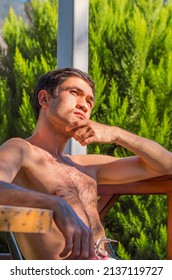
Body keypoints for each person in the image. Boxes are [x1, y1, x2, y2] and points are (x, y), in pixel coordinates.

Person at [0, 68, 171, 260]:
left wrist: (116, 134)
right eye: (75, 93)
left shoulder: (85, 165)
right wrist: (54, 204)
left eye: (90, 101)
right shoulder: (21, 149)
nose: (84, 105)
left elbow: (167, 165)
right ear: (44, 99)